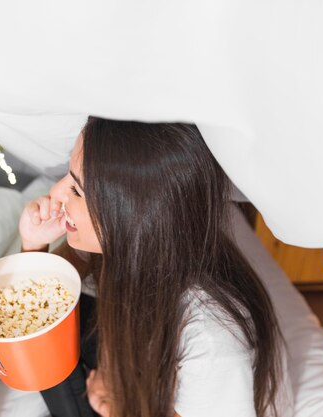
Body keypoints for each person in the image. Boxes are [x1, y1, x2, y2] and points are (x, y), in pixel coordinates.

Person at [19, 117, 294, 417]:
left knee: (50, 349)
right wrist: (33, 245)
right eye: (68, 178)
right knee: (52, 323)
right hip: (136, 370)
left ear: (130, 216)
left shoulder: (212, 342)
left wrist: (117, 409)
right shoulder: (138, 242)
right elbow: (36, 303)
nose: (56, 194)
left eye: (76, 190)